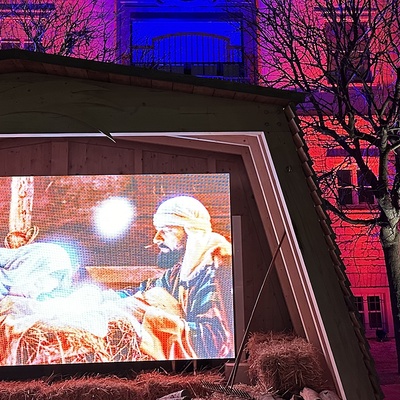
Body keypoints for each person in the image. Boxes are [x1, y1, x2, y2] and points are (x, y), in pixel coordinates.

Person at [119, 195, 234, 360]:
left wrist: (149, 317)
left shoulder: (216, 270)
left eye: (166, 230)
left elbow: (215, 341)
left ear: (190, 232)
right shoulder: (183, 269)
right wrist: (103, 298)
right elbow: (146, 289)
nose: (156, 239)